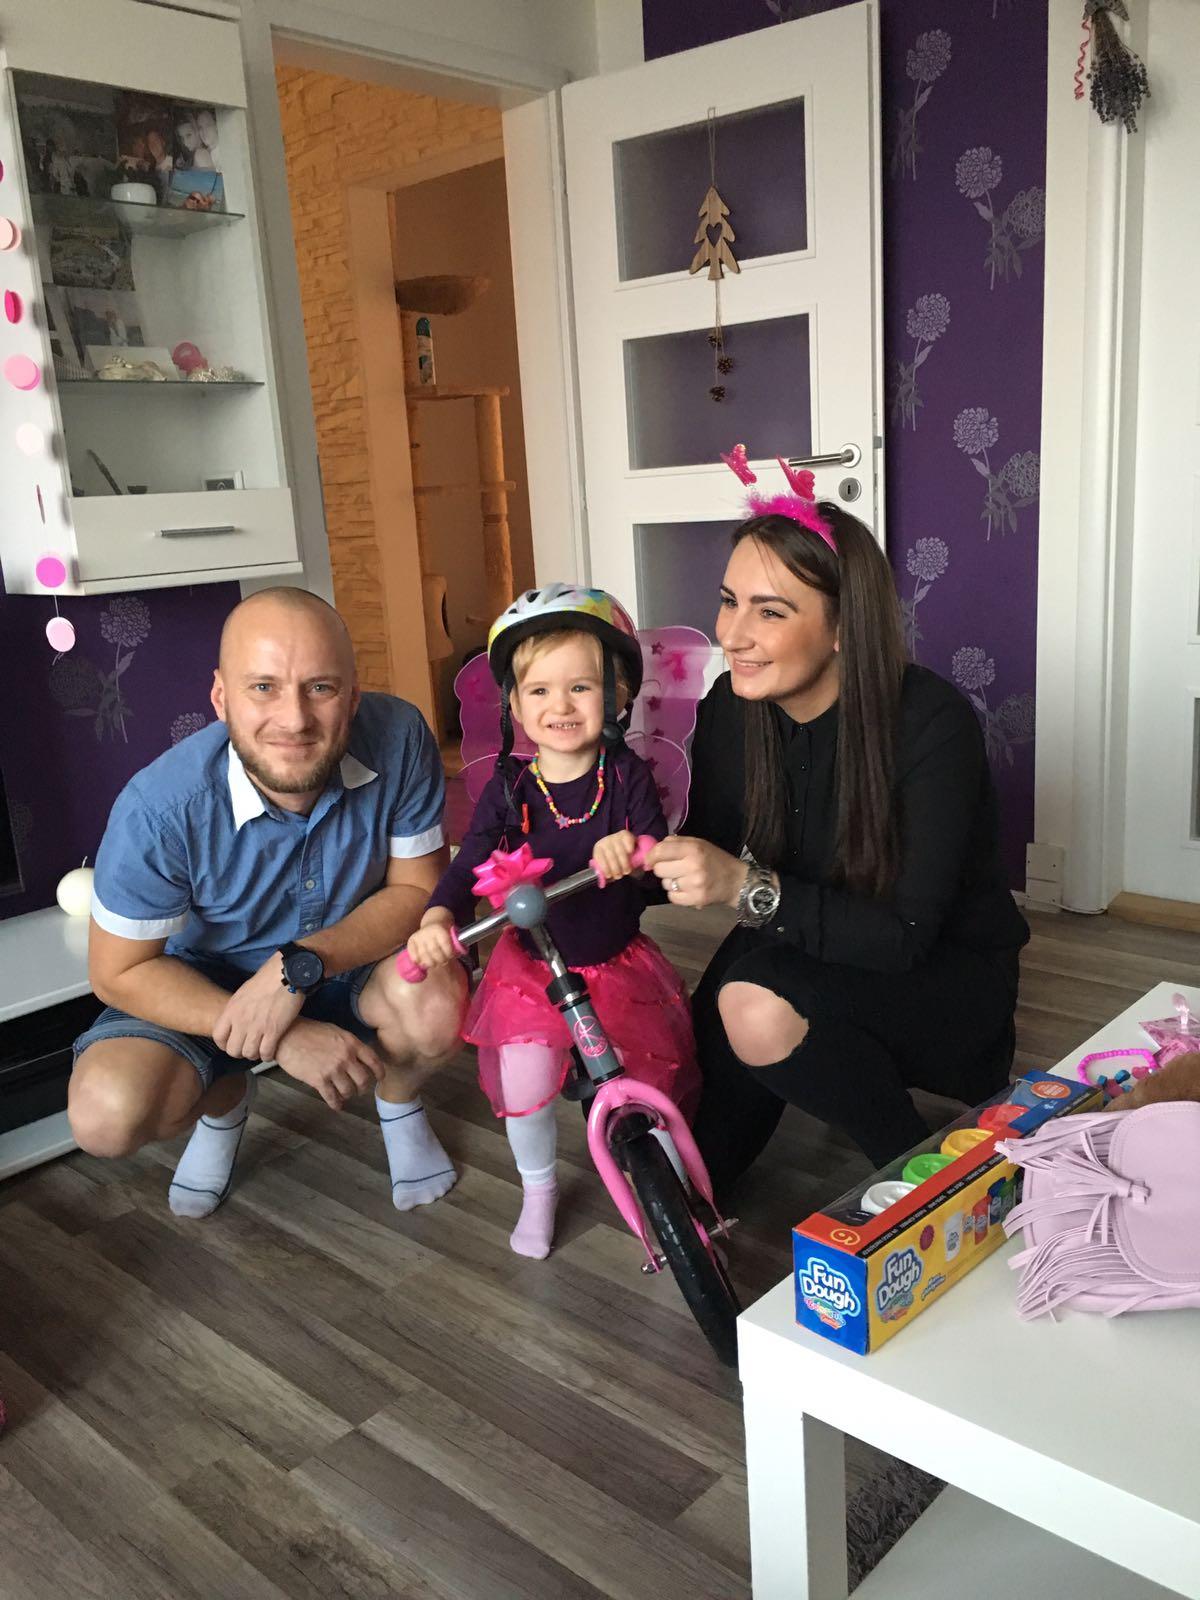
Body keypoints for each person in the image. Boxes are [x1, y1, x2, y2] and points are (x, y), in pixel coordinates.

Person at [646, 495, 1030, 1194]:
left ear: (842, 629)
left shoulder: (930, 724)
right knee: (694, 1169)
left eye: (769, 612)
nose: (732, 634)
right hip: (808, 935)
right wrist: (602, 855)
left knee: (752, 1004)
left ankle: (930, 1180)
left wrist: (743, 887)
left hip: (942, 975)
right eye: (729, 602)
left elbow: (903, 938)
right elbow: (708, 841)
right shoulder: (732, 707)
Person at [69, 587, 466, 1217]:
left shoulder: (400, 735)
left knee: (439, 1002)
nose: (294, 719)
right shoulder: (157, 809)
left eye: (320, 688)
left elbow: (418, 890)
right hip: (208, 978)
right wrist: (281, 1038)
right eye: (263, 688)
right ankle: (226, 1103)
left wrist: (296, 968)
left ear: (353, 697)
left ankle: (399, 1103)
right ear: (220, 697)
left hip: (351, 955)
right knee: (105, 1116)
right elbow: (117, 972)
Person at [405, 585, 699, 1259]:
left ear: (617, 697)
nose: (560, 707)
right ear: (514, 706)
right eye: (539, 691)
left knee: (644, 1083)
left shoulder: (626, 777)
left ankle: (669, 1189)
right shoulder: (510, 788)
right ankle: (538, 1187)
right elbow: (469, 862)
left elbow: (659, 867)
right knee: (525, 1084)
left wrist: (635, 852)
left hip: (617, 966)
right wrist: (438, 915)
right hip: (532, 972)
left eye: (580, 688)